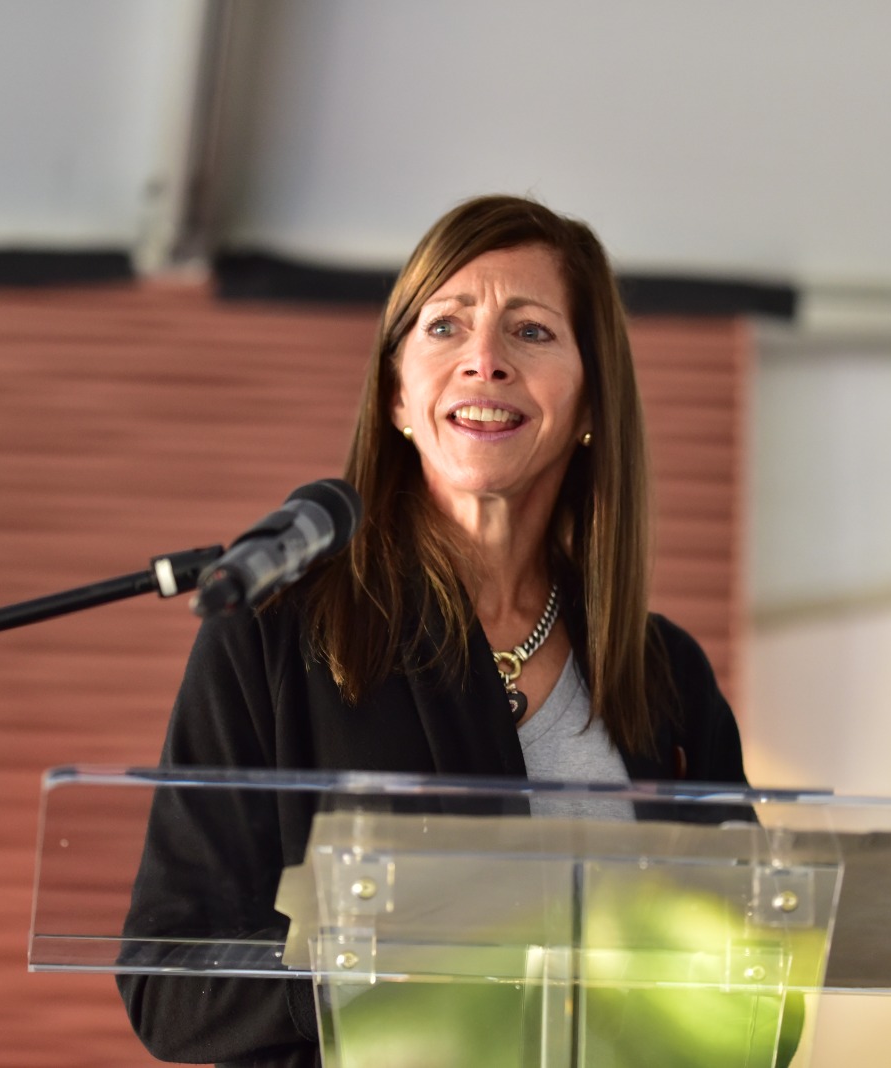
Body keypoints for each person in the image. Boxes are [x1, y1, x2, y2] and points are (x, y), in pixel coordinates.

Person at [118, 194, 749, 1067]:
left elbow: (759, 986)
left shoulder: (665, 674)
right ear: (397, 397)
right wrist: (365, 969)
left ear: (591, 401)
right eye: (446, 327)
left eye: (531, 331)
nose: (484, 360)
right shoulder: (271, 635)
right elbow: (168, 978)